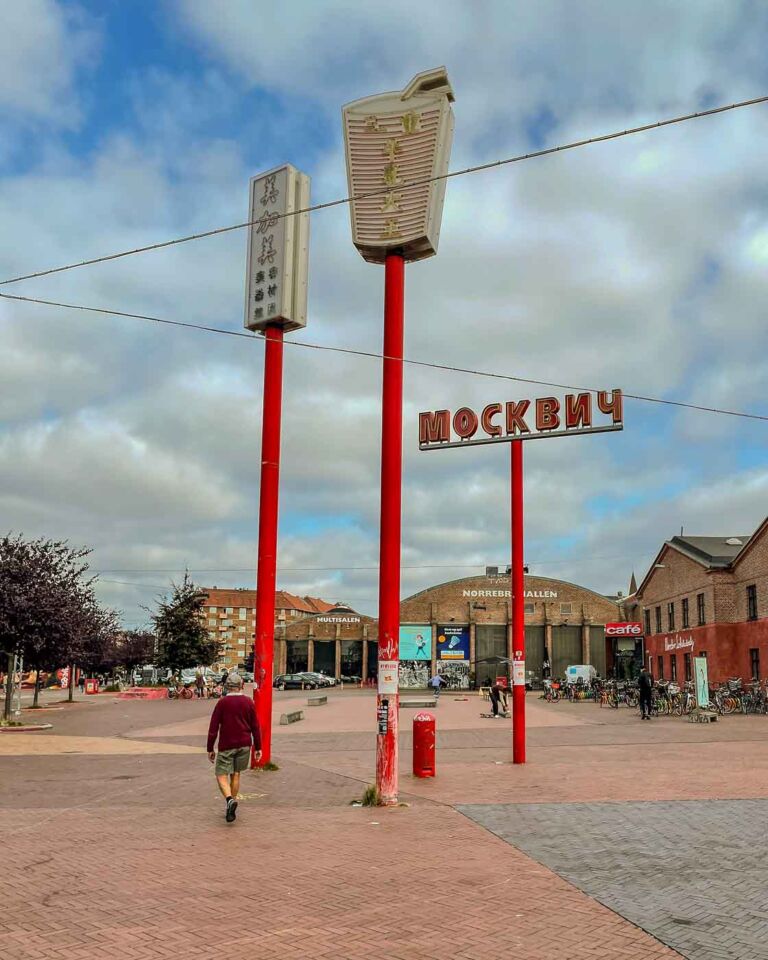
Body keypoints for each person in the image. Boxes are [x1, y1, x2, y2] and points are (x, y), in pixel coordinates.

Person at [206, 672, 261, 822]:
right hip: (244, 744)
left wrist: (210, 748)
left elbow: (213, 727)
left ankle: (230, 800)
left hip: (227, 744)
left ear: (227, 686)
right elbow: (255, 726)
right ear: (241, 685)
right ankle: (231, 805)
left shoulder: (222, 703)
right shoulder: (249, 702)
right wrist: (258, 747)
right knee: (236, 774)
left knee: (221, 774)